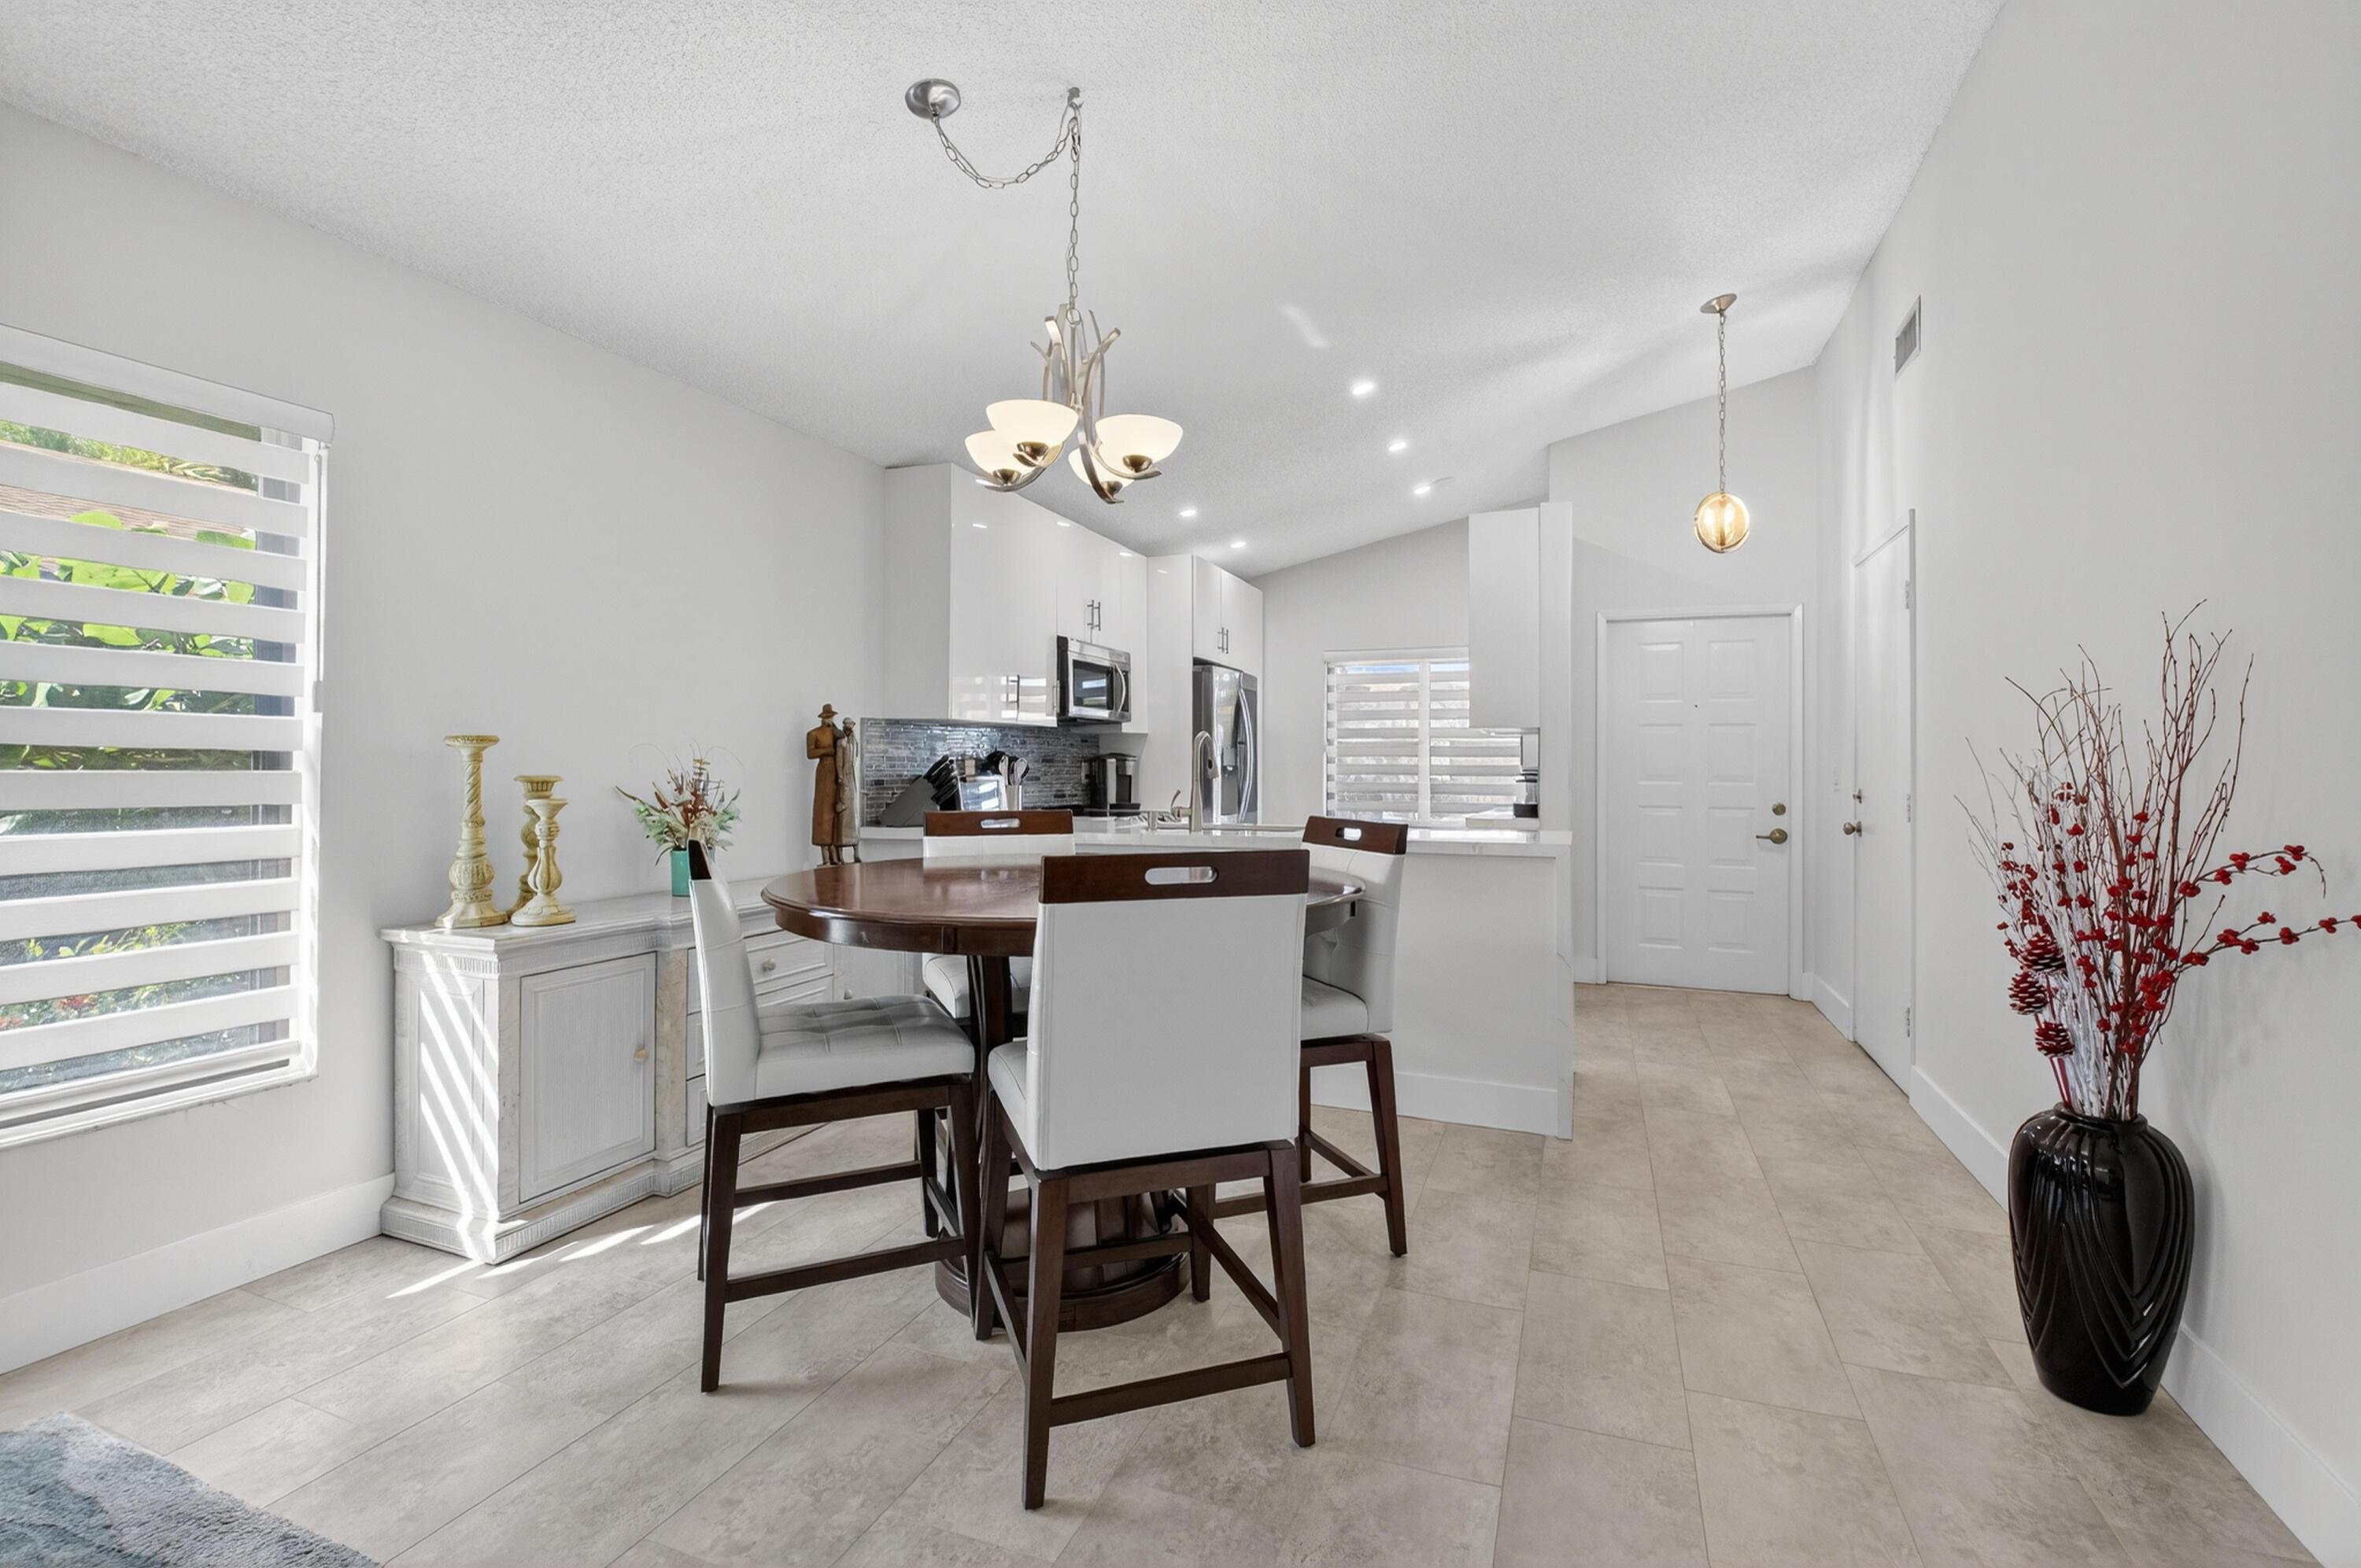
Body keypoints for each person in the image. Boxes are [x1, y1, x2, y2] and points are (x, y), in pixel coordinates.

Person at [805, 706, 860, 865]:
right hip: (824, 773)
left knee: (838, 813)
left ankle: (837, 853)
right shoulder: (814, 734)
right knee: (823, 812)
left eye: (831, 717)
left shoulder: (839, 734)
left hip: (838, 775)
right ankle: (826, 856)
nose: (829, 720)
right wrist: (827, 750)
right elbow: (810, 753)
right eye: (827, 717)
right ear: (822, 718)